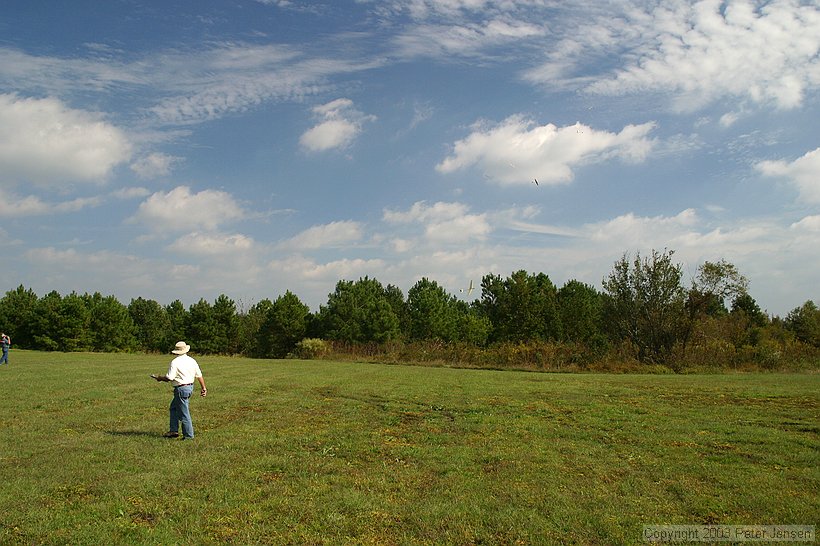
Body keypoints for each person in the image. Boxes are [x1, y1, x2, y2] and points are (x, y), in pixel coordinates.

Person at [152, 341, 206, 439]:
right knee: (173, 408)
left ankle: (189, 436)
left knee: (184, 413)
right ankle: (173, 431)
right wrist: (203, 388)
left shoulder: (175, 362)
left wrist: (159, 378)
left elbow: (170, 377)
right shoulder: (192, 360)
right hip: (189, 387)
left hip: (181, 389)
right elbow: (199, 375)